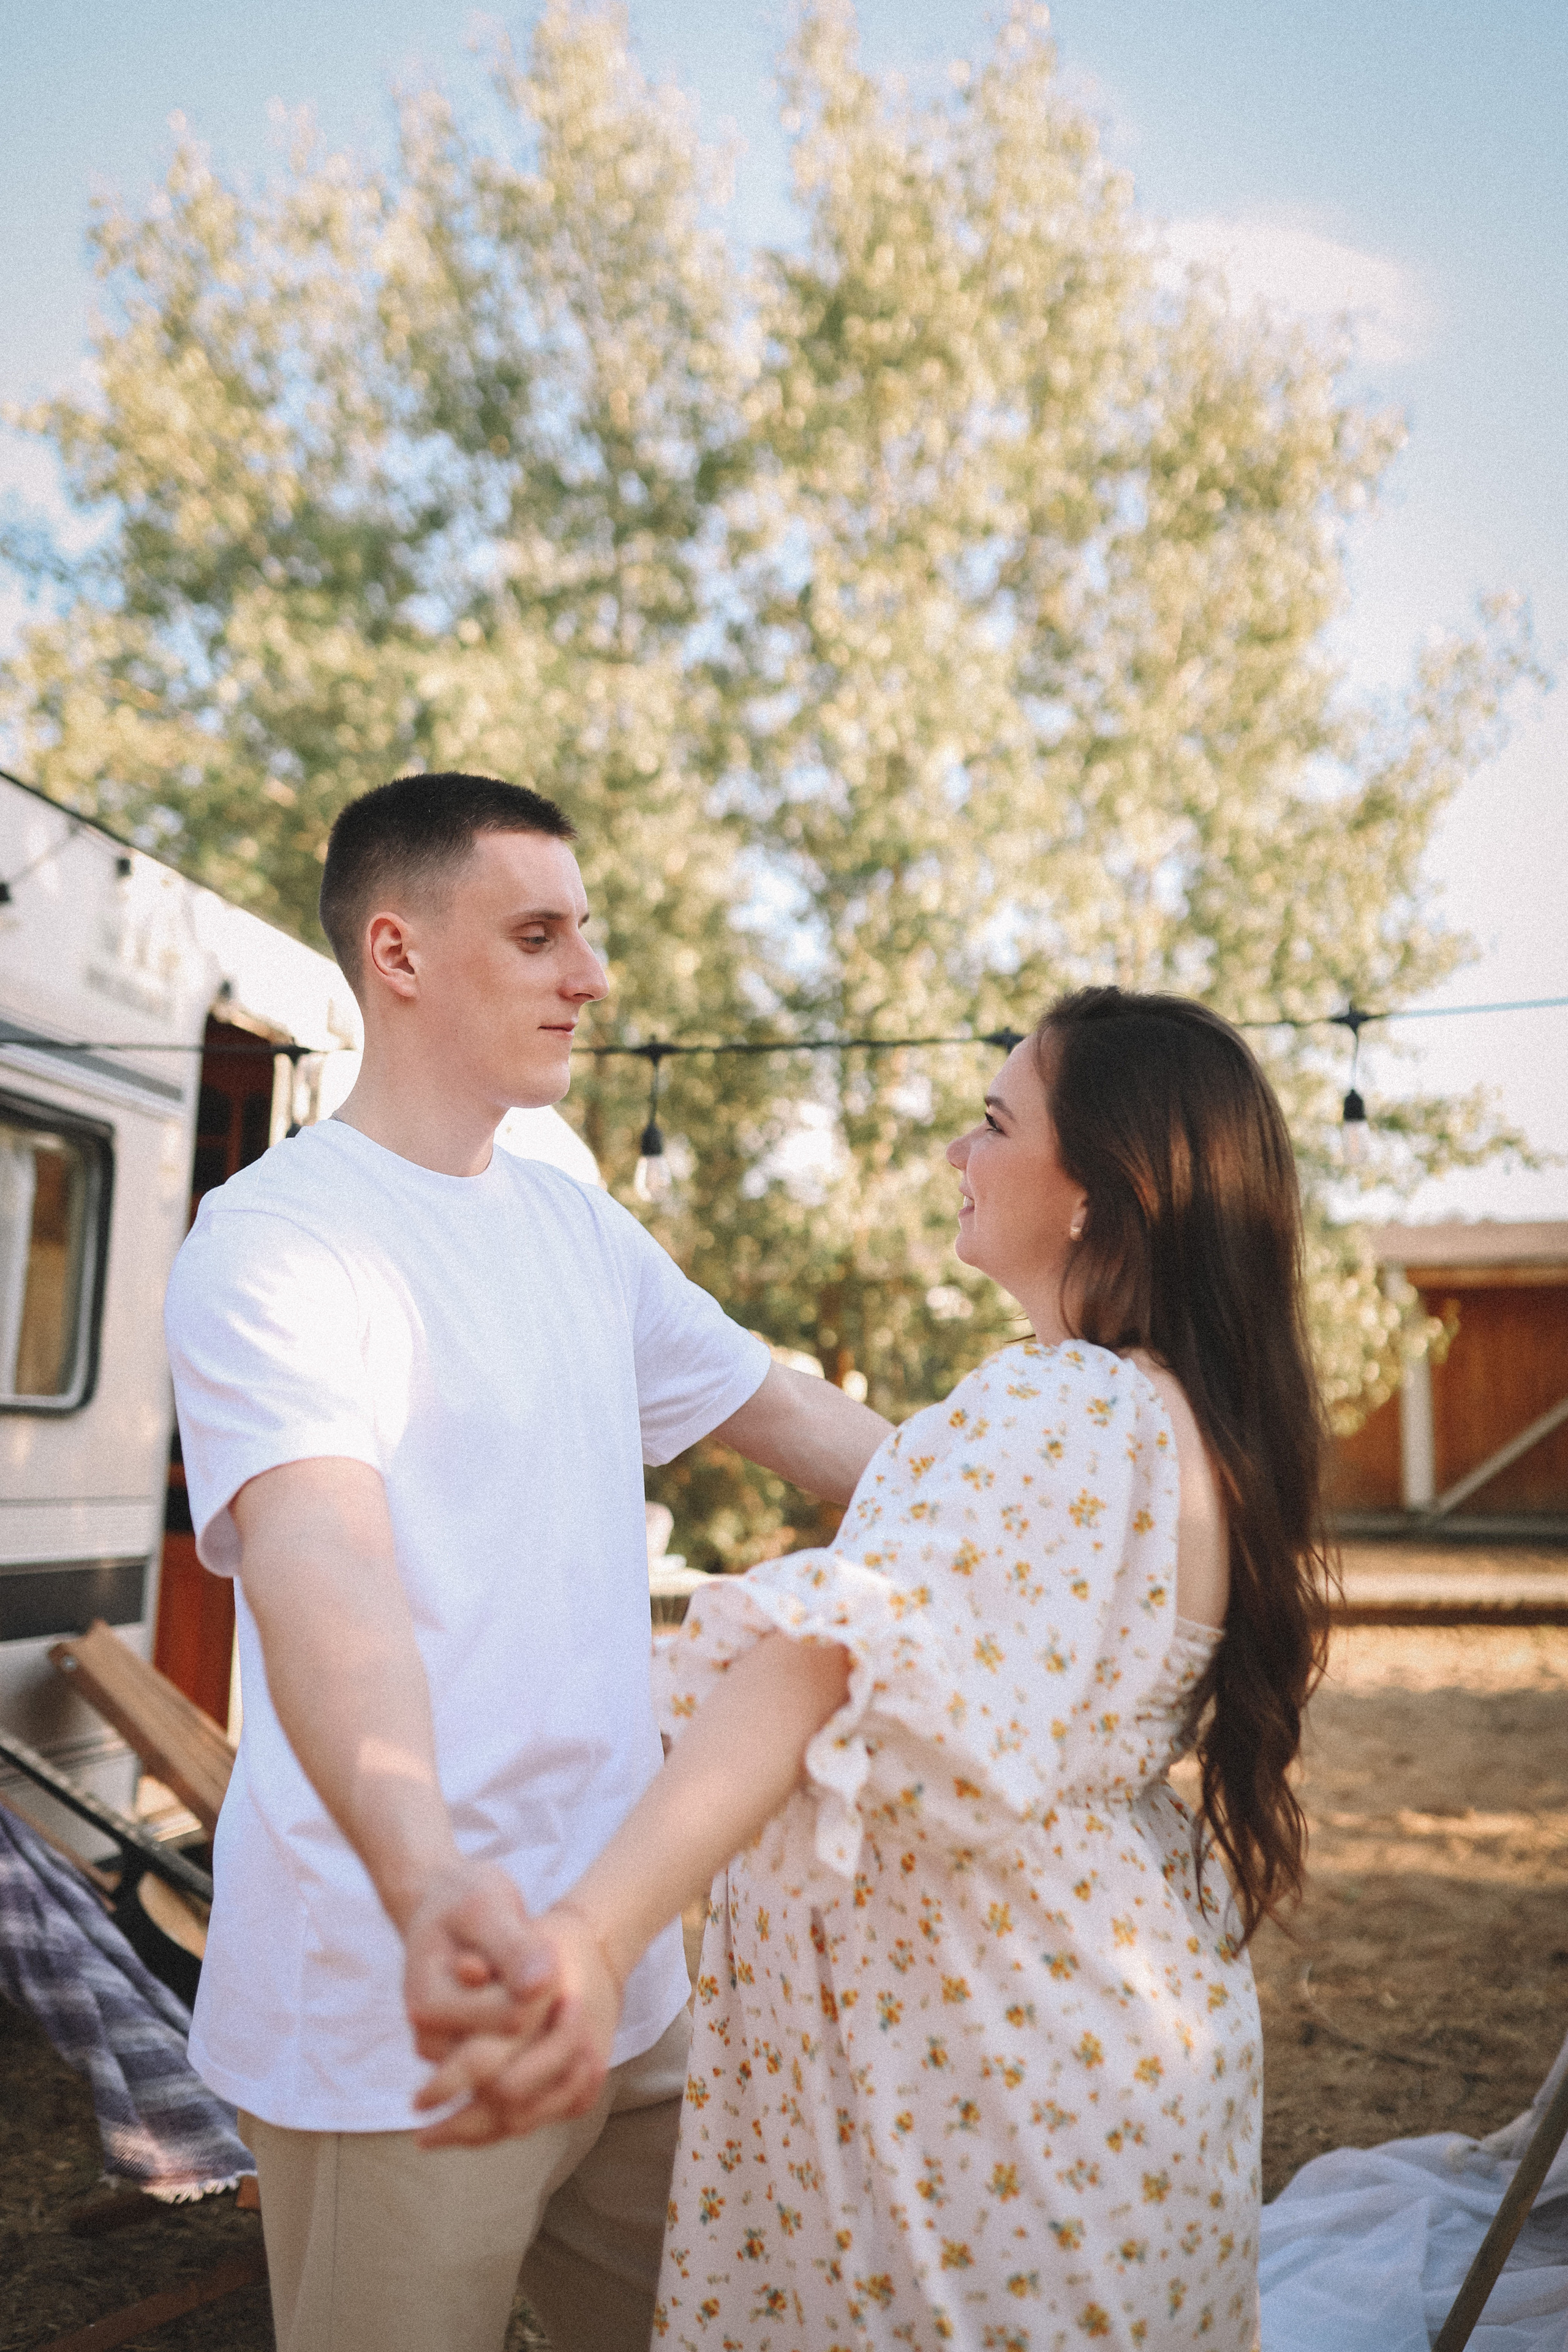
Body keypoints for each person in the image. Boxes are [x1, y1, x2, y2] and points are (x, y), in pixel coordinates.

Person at [415, 987, 1333, 2352]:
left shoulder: (1055, 1404)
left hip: (985, 2055)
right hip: (1108, 2030)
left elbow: (814, 1665)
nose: (955, 1156)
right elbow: (935, 1580)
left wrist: (593, 1940)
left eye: (990, 1122)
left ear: (1098, 1193)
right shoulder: (1171, 1418)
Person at [162, 771, 889, 2352]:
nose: (593, 975)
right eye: (543, 934)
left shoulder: (571, 1217)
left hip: (626, 1985)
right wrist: (428, 1887)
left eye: (587, 933)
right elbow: (321, 1576)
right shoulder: (276, 1243)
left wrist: (1057, 1497)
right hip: (405, 2009)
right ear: (400, 953)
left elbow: (790, 1418)